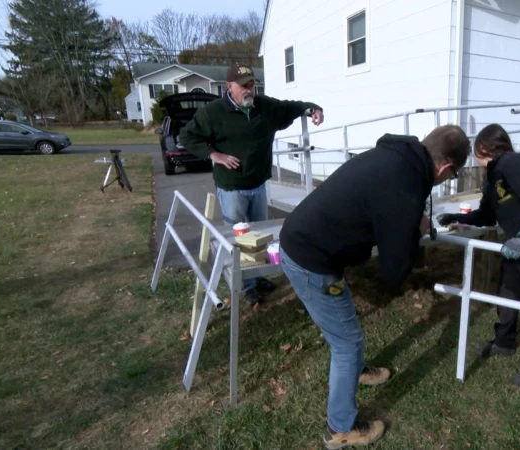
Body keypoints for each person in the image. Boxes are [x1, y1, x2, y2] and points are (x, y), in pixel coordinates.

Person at [278, 125, 470, 449]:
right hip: (310, 259)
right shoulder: (406, 185)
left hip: (307, 241)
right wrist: (413, 229)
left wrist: (408, 219)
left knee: (344, 328)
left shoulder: (395, 156)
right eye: (449, 178)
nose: (444, 182)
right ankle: (339, 429)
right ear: (445, 167)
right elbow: (394, 270)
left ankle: (355, 371)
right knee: (347, 343)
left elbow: (379, 204)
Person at [438, 123, 520, 388]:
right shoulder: (493, 176)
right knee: (508, 293)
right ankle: (504, 341)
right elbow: (488, 214)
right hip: (517, 246)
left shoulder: (513, 163)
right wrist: (457, 217)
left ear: (483, 149)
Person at [180, 62, 324, 305]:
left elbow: (291, 108)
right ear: (229, 87)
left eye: (253, 84)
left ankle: (256, 277)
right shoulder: (213, 112)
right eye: (244, 86)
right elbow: (187, 136)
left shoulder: (265, 107)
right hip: (231, 188)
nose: (250, 90)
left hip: (258, 184)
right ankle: (246, 286)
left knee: (258, 234)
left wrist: (313, 109)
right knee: (241, 237)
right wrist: (214, 155)